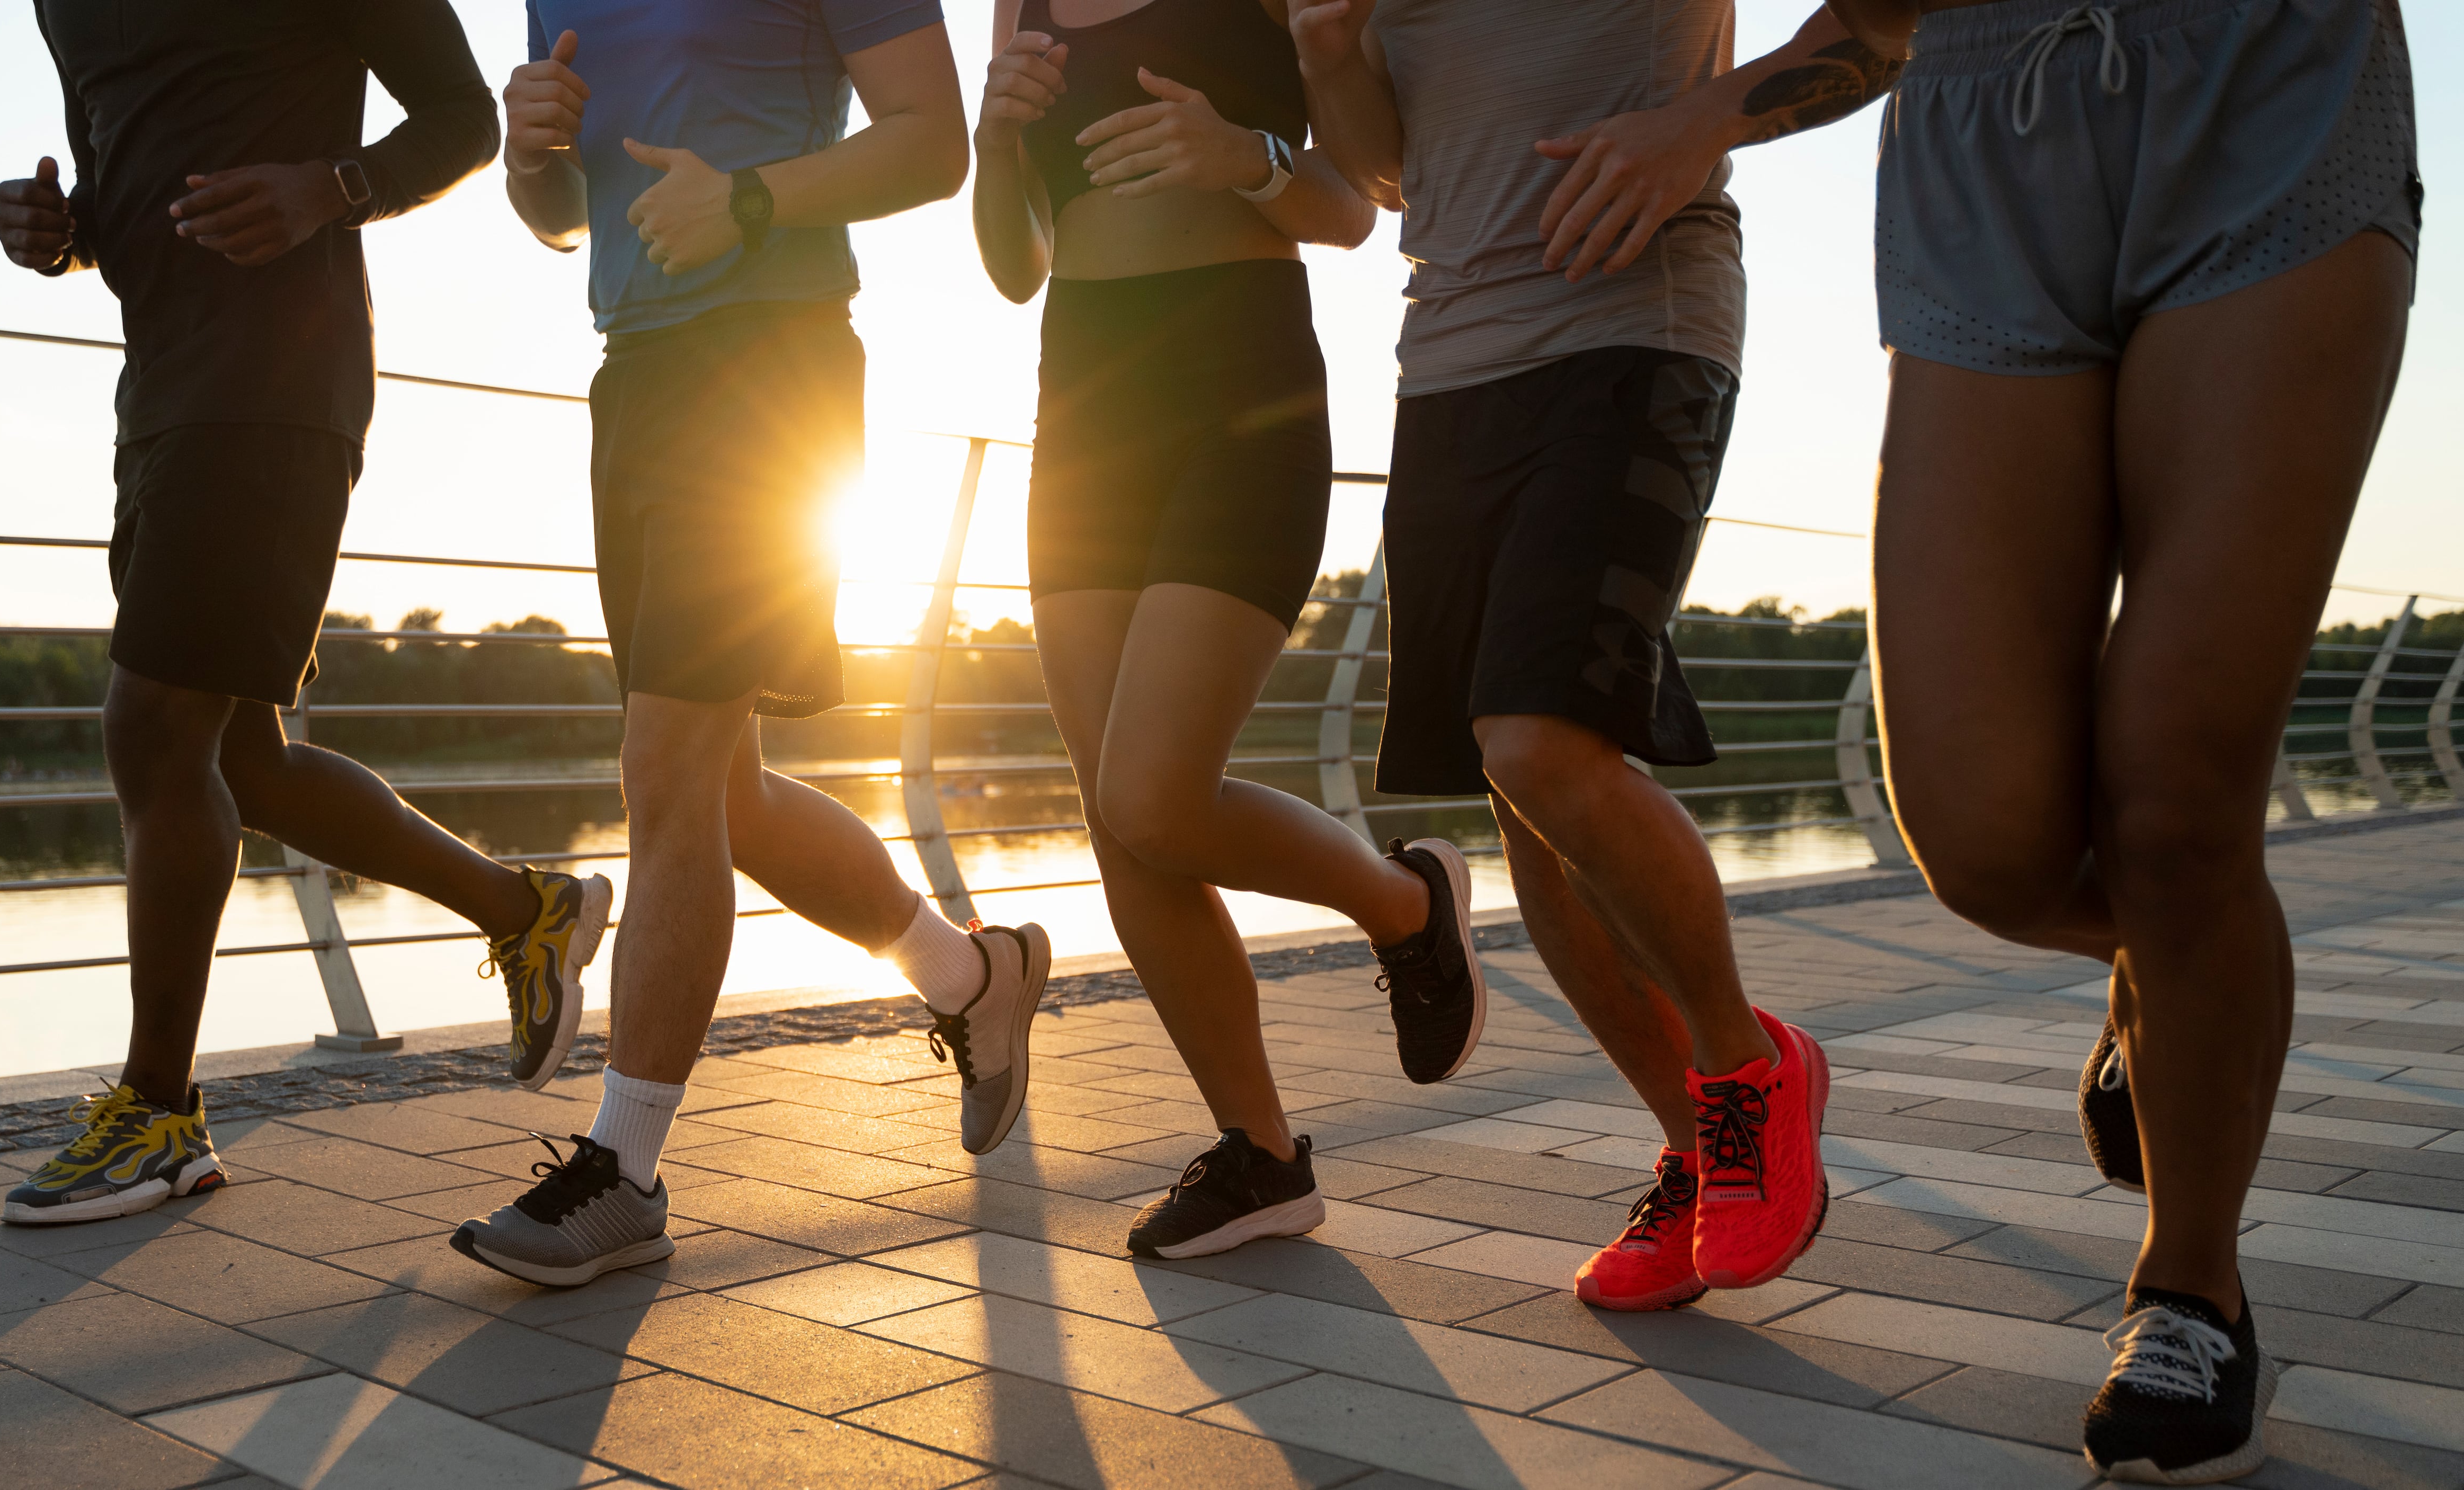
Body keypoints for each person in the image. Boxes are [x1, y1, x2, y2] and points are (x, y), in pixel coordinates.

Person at [1814, 0, 2419, 1479]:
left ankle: (2190, 1282)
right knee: (1984, 840)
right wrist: (1703, 113)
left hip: (2267, 72)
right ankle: (2173, 975)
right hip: (1975, 120)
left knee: (2174, 802)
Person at [1287, 0, 1907, 1306]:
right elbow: (1391, 172)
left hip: (1636, 319)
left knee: (1535, 740)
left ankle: (1749, 1070)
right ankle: (1698, 1153)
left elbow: (1885, 27)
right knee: (1525, 804)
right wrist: (1327, 53)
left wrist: (1700, 122)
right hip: (1450, 357)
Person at [0, 3, 615, 1227]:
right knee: (239, 758)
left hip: (281, 376)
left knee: (153, 726)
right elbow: (122, 192)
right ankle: (527, 908)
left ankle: (160, 1115)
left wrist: (334, 187)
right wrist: (57, 233)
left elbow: (462, 118)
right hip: (160, 388)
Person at [452, 0, 1044, 1290]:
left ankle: (626, 1171)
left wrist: (754, 201)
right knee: (717, 789)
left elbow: (933, 144)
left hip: (770, 369)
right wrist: (530, 153)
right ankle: (969, 976)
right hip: (635, 375)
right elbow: (564, 217)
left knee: (664, 771)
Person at [971, 0, 1485, 1263]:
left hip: (1238, 381)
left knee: (1152, 793)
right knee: (1121, 822)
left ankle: (1404, 907)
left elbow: (1358, 206)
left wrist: (1241, 157)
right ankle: (1260, 1157)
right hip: (1085, 397)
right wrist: (995, 144)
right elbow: (1010, 263)